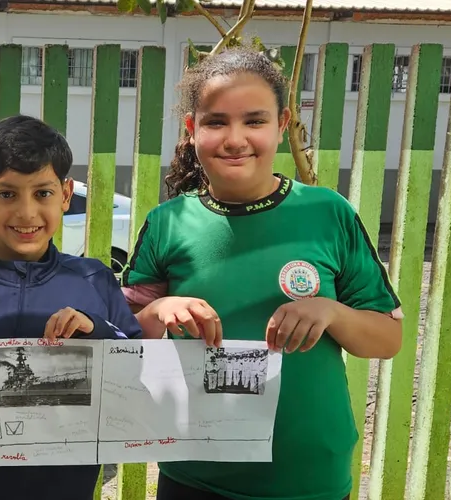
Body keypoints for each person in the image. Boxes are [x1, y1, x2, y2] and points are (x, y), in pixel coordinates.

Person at [120, 46, 403, 500]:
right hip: (195, 478)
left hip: (310, 479)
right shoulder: (166, 222)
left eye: (254, 121)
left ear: (282, 124)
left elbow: (387, 339)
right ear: (193, 129)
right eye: (216, 122)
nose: (235, 139)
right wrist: (158, 309)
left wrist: (331, 311)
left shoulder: (328, 213)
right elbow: (122, 341)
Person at [0, 115, 143, 500]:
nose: (26, 213)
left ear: (66, 195)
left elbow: (136, 365)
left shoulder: (93, 280)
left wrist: (94, 328)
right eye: (7, 194)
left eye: (43, 193)